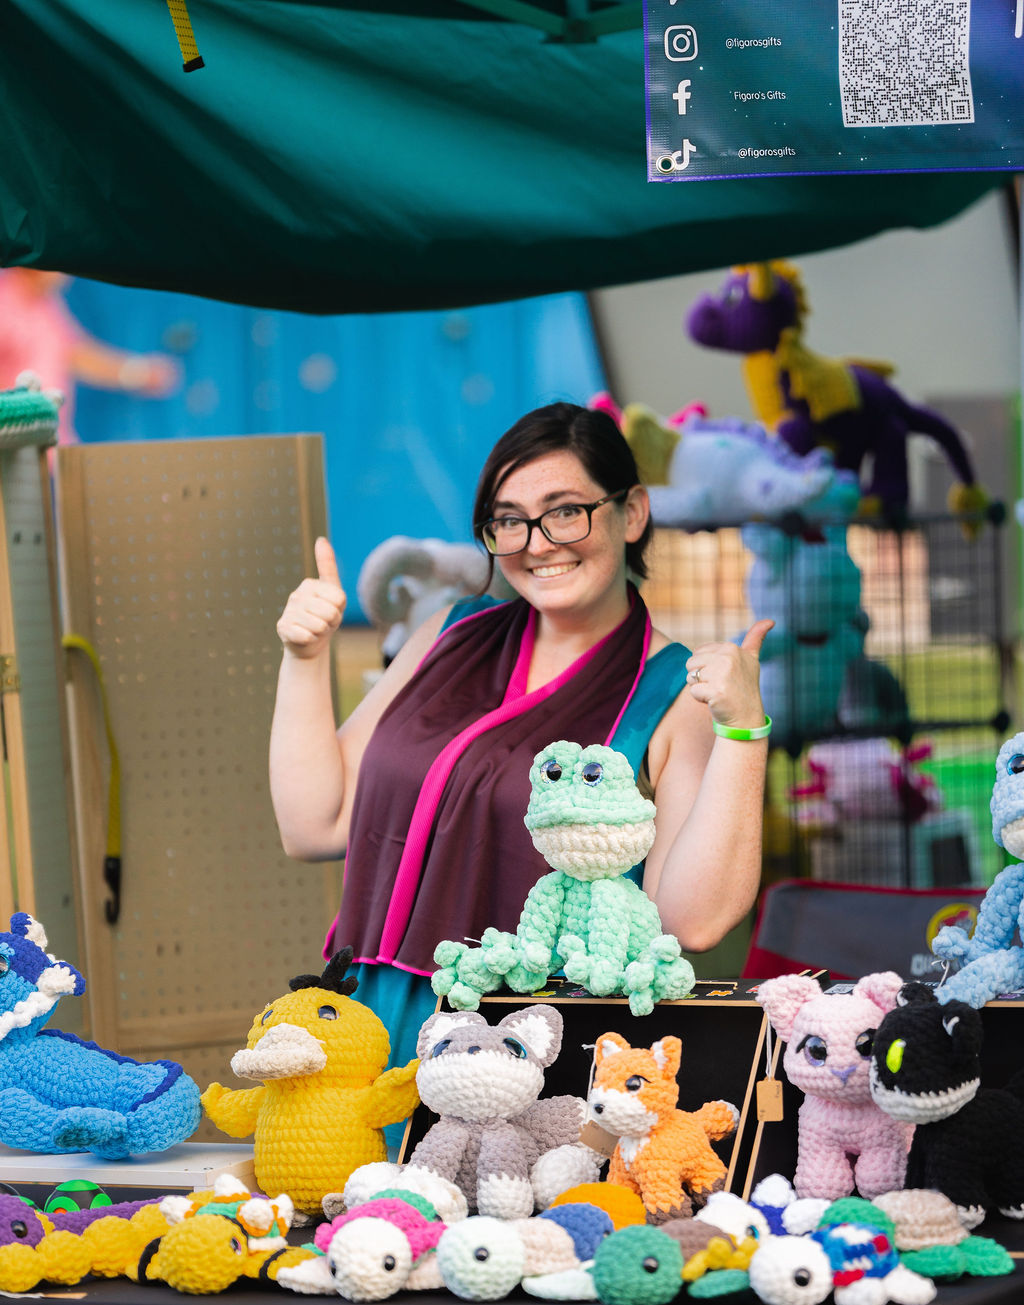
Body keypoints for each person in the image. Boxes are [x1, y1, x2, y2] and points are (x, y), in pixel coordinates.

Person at [269, 402, 771, 1142]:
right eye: (509, 521)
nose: (538, 544)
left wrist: (743, 731)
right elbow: (313, 823)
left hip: (520, 1056)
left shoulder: (670, 689)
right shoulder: (448, 636)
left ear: (632, 513)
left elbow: (693, 918)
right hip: (364, 1025)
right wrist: (304, 661)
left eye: (565, 512)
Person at [0, 268, 180, 439]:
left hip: (48, 448)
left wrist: (139, 373)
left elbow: (75, 354)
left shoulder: (46, 304)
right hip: (12, 452)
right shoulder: (5, 299)